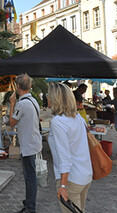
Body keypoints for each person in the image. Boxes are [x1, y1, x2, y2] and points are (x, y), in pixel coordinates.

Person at [47, 82, 92, 213]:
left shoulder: (58, 121)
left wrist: (62, 185)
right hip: (85, 174)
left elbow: (64, 156)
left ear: (55, 98)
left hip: (72, 179)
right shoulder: (77, 117)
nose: (46, 97)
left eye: (48, 95)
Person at [9, 74, 42, 213]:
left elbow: (12, 123)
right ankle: (29, 201)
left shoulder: (21, 104)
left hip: (28, 144)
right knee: (30, 175)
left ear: (17, 87)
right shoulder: (33, 101)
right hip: (34, 142)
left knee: (30, 177)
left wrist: (12, 103)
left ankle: (30, 207)